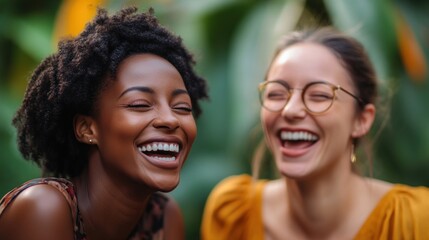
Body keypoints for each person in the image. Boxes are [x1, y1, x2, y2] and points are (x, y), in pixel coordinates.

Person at [201, 27, 429, 240]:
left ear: (362, 120)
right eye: (276, 94)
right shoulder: (232, 216)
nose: (290, 110)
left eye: (319, 96)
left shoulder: (412, 222)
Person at [0, 7, 208, 240]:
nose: (170, 119)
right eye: (140, 105)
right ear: (87, 128)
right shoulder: (44, 209)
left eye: (182, 108)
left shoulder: (163, 219)